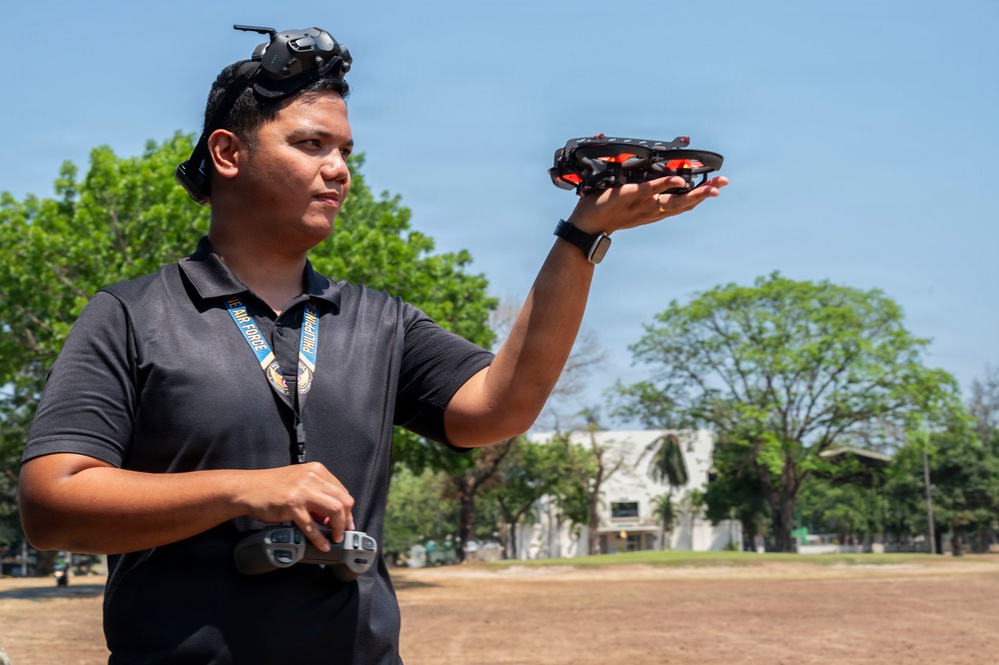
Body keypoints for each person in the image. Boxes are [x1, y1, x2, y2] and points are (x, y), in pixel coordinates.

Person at [18, 26, 727, 665]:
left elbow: (498, 407)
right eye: (309, 144)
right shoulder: (131, 314)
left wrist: (581, 237)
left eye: (344, 151)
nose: (339, 170)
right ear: (228, 153)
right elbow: (53, 505)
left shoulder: (378, 320)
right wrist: (243, 488)